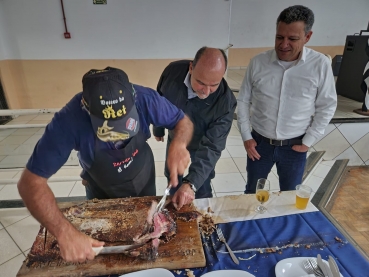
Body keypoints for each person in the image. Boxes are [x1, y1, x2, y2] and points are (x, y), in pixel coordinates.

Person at [17, 67, 193, 263]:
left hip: (142, 176)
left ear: (133, 98)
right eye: (109, 129)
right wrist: (63, 232)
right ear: (86, 108)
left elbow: (182, 122)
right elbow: (30, 183)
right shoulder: (68, 121)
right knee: (105, 253)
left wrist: (179, 143)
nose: (118, 136)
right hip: (102, 188)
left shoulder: (144, 98)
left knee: (147, 237)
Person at [237, 5, 337, 193]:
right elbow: (243, 100)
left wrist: (309, 140)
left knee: (290, 197)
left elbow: (327, 105)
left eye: (292, 39)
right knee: (251, 193)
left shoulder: (320, 65)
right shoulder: (258, 62)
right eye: (279, 37)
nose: (283, 45)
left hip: (295, 147)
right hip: (259, 145)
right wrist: (246, 136)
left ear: (307, 37)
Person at [153, 47, 237, 208]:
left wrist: (191, 183)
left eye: (214, 85)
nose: (206, 91)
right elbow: (159, 101)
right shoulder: (173, 72)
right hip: (177, 135)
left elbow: (212, 147)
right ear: (191, 68)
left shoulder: (226, 102)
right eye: (200, 83)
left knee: (201, 183)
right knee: (173, 176)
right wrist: (158, 128)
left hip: (203, 141)